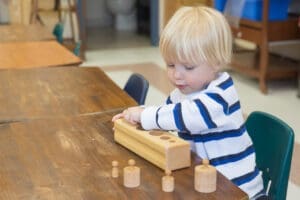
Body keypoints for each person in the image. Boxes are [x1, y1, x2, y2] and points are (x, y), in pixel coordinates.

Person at [112, 6, 264, 199]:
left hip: (239, 190)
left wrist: (145, 116)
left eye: (189, 67)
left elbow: (189, 116)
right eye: (170, 65)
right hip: (206, 183)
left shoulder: (222, 94)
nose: (177, 75)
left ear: (216, 62)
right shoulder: (183, 93)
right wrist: (137, 115)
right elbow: (166, 114)